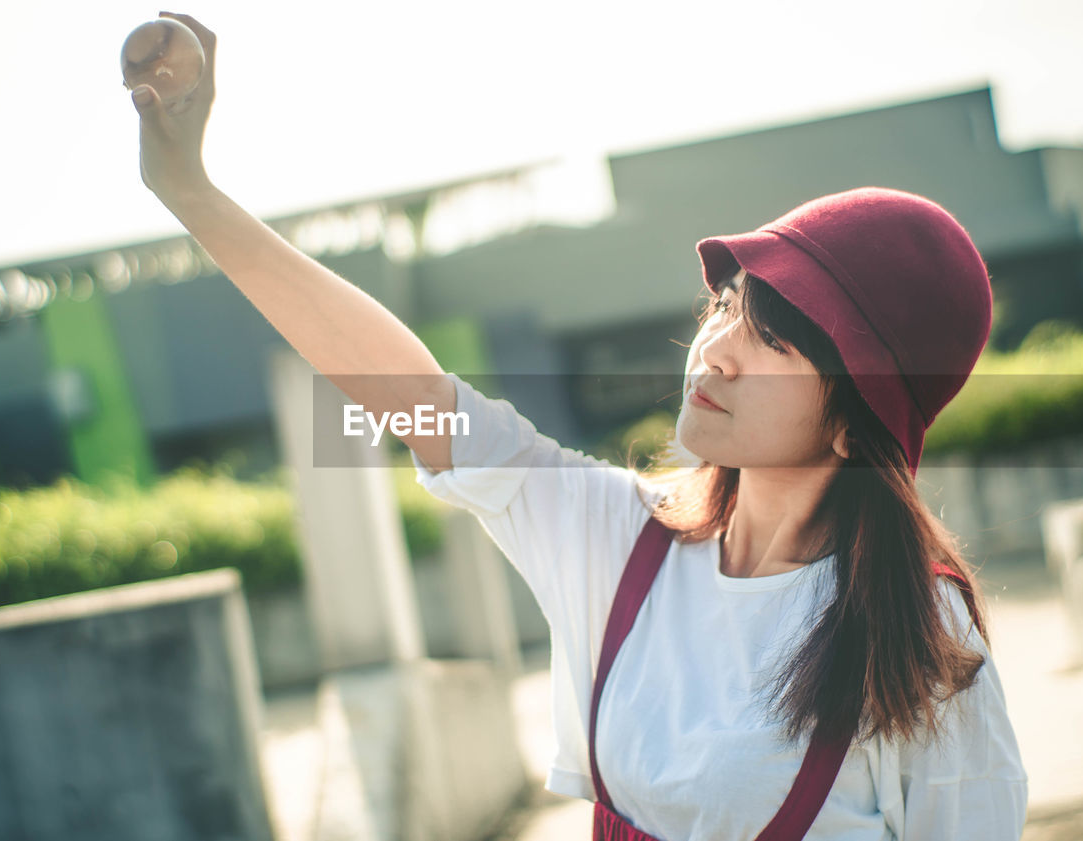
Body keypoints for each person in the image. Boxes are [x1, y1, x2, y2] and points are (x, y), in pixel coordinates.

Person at [130, 13, 1028, 840]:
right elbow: (406, 393)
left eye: (775, 340)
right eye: (727, 304)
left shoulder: (926, 645)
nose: (716, 350)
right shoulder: (622, 545)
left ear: (857, 421)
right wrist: (189, 190)